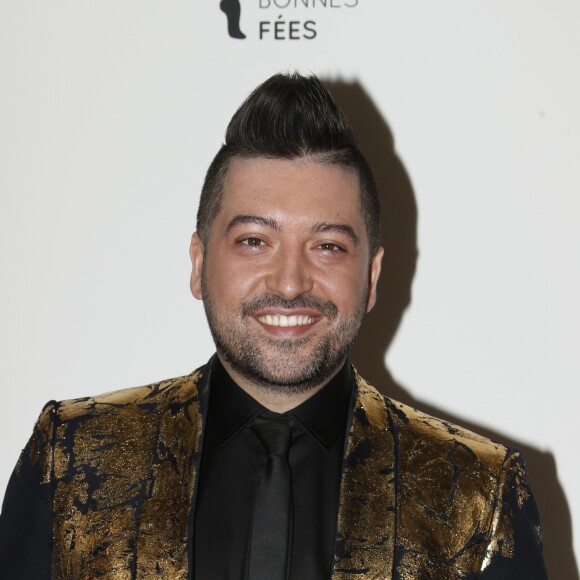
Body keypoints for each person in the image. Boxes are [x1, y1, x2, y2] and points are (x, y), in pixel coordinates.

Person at [0, 73, 547, 579]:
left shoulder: (477, 492)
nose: (289, 283)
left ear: (372, 276)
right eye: (254, 241)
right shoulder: (70, 459)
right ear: (198, 263)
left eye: (328, 246)